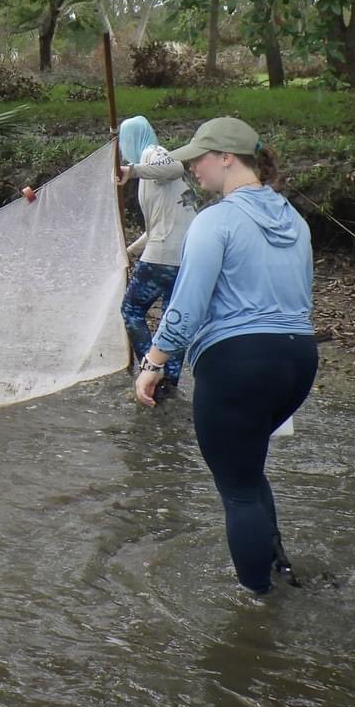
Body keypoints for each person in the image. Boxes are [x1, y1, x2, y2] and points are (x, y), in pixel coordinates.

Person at [134, 117, 316, 595]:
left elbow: (186, 307)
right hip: (298, 362)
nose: (192, 166)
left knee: (236, 491)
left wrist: (152, 364)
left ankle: (256, 609)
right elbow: (302, 297)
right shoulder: (294, 219)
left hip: (237, 364)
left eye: (199, 156)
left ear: (227, 158)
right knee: (249, 471)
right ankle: (278, 566)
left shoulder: (215, 220)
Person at [116, 116, 197, 398]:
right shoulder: (151, 171)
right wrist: (128, 252)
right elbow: (155, 229)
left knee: (131, 310)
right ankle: (168, 385)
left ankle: (150, 368)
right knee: (170, 319)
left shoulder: (154, 155)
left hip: (163, 258)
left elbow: (176, 166)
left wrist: (133, 170)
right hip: (183, 255)